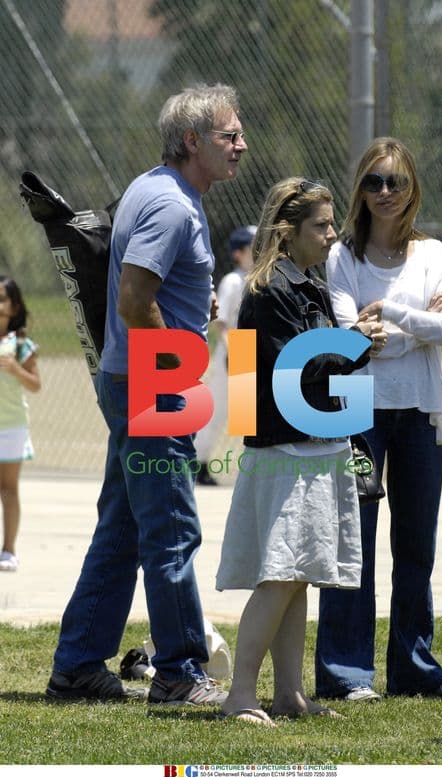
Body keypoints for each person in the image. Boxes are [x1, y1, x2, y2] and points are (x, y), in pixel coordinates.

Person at [46, 83, 248, 703]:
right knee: (171, 528)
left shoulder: (153, 186)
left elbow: (147, 287)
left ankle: (78, 665)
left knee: (126, 527)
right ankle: (181, 672)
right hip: (152, 381)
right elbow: (135, 301)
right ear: (192, 141)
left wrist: (194, 303)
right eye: (228, 134)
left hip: (129, 376)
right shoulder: (172, 205)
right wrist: (180, 361)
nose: (242, 144)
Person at [215, 177, 385, 726]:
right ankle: (240, 693)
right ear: (288, 231)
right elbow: (301, 373)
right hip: (287, 454)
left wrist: (354, 340)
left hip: (313, 450)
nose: (332, 234)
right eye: (322, 225)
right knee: (281, 576)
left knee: (299, 575)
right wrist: (354, 341)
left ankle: (289, 693)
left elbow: (321, 369)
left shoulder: (305, 285)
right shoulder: (270, 292)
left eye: (332, 224)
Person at [315, 136, 442, 701]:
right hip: (358, 410)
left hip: (421, 411)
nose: (384, 192)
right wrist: (414, 328)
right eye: (374, 182)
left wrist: (393, 315)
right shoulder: (342, 257)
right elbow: (352, 337)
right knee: (352, 542)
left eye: (396, 182)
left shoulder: (435, 255)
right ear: (360, 190)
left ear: (412, 191)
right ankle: (346, 673)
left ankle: (413, 668)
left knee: (417, 548)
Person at [195, 224, 257, 485]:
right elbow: (220, 320)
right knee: (217, 411)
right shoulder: (233, 280)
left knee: (248, 417)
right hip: (235, 346)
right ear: (239, 254)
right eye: (254, 248)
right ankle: (198, 463)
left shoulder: (258, 279)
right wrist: (231, 347)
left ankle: (248, 471)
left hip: (251, 347)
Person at [0, 276, 41, 572]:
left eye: (2, 298)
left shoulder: (22, 344)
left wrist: (15, 368)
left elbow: (36, 384)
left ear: (14, 306)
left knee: (9, 489)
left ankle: (9, 550)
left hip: (11, 426)